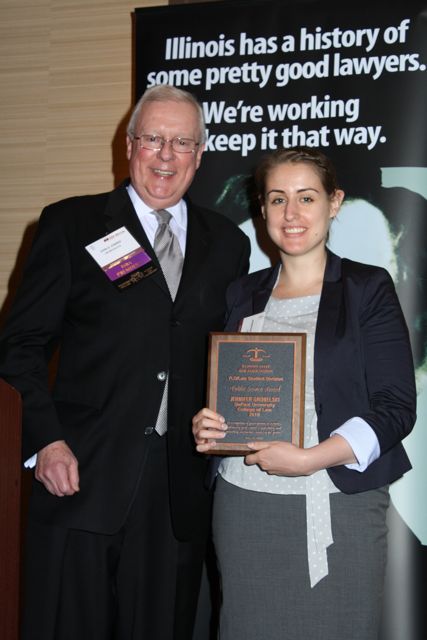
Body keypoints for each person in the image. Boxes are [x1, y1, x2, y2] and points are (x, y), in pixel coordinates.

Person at [0, 84, 250, 640]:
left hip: (177, 493)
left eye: (182, 142)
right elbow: (20, 347)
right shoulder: (71, 224)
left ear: (200, 154)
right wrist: (46, 441)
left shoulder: (228, 243)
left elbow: (230, 355)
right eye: (153, 139)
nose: (166, 155)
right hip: (79, 477)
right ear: (129, 144)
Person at [192, 146, 416, 640]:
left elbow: (396, 409)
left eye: (306, 197)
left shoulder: (367, 288)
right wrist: (209, 423)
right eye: (277, 199)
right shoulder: (241, 293)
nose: (291, 213)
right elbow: (234, 389)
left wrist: (311, 458)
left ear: (334, 203)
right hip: (244, 504)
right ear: (262, 209)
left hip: (338, 503)